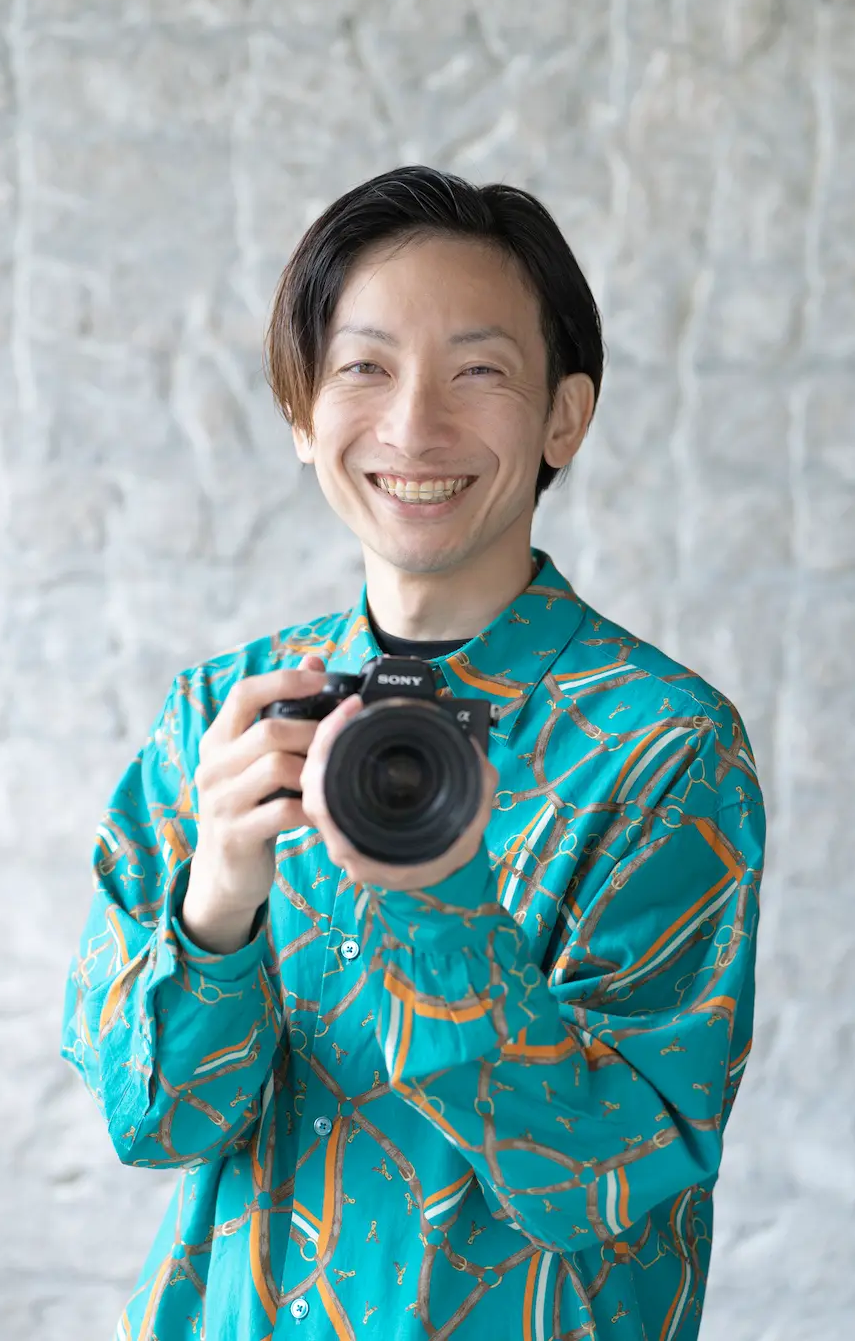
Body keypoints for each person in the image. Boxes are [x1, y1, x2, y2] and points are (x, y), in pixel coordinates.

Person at [61, 167, 765, 1341]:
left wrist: (441, 910)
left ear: (564, 417)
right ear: (302, 414)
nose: (412, 427)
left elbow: (600, 1180)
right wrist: (217, 906)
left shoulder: (662, 749)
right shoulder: (220, 720)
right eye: (363, 368)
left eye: (477, 371)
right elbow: (153, 1125)